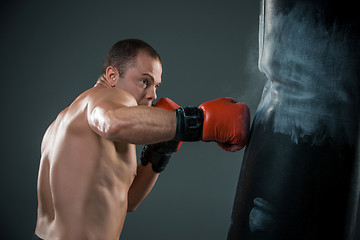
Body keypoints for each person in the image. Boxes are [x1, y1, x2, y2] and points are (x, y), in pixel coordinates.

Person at [33, 39, 250, 240]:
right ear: (112, 76)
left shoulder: (62, 123)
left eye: (156, 85)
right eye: (144, 81)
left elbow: (127, 201)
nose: (152, 94)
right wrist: (196, 122)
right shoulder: (105, 98)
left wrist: (160, 151)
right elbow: (112, 122)